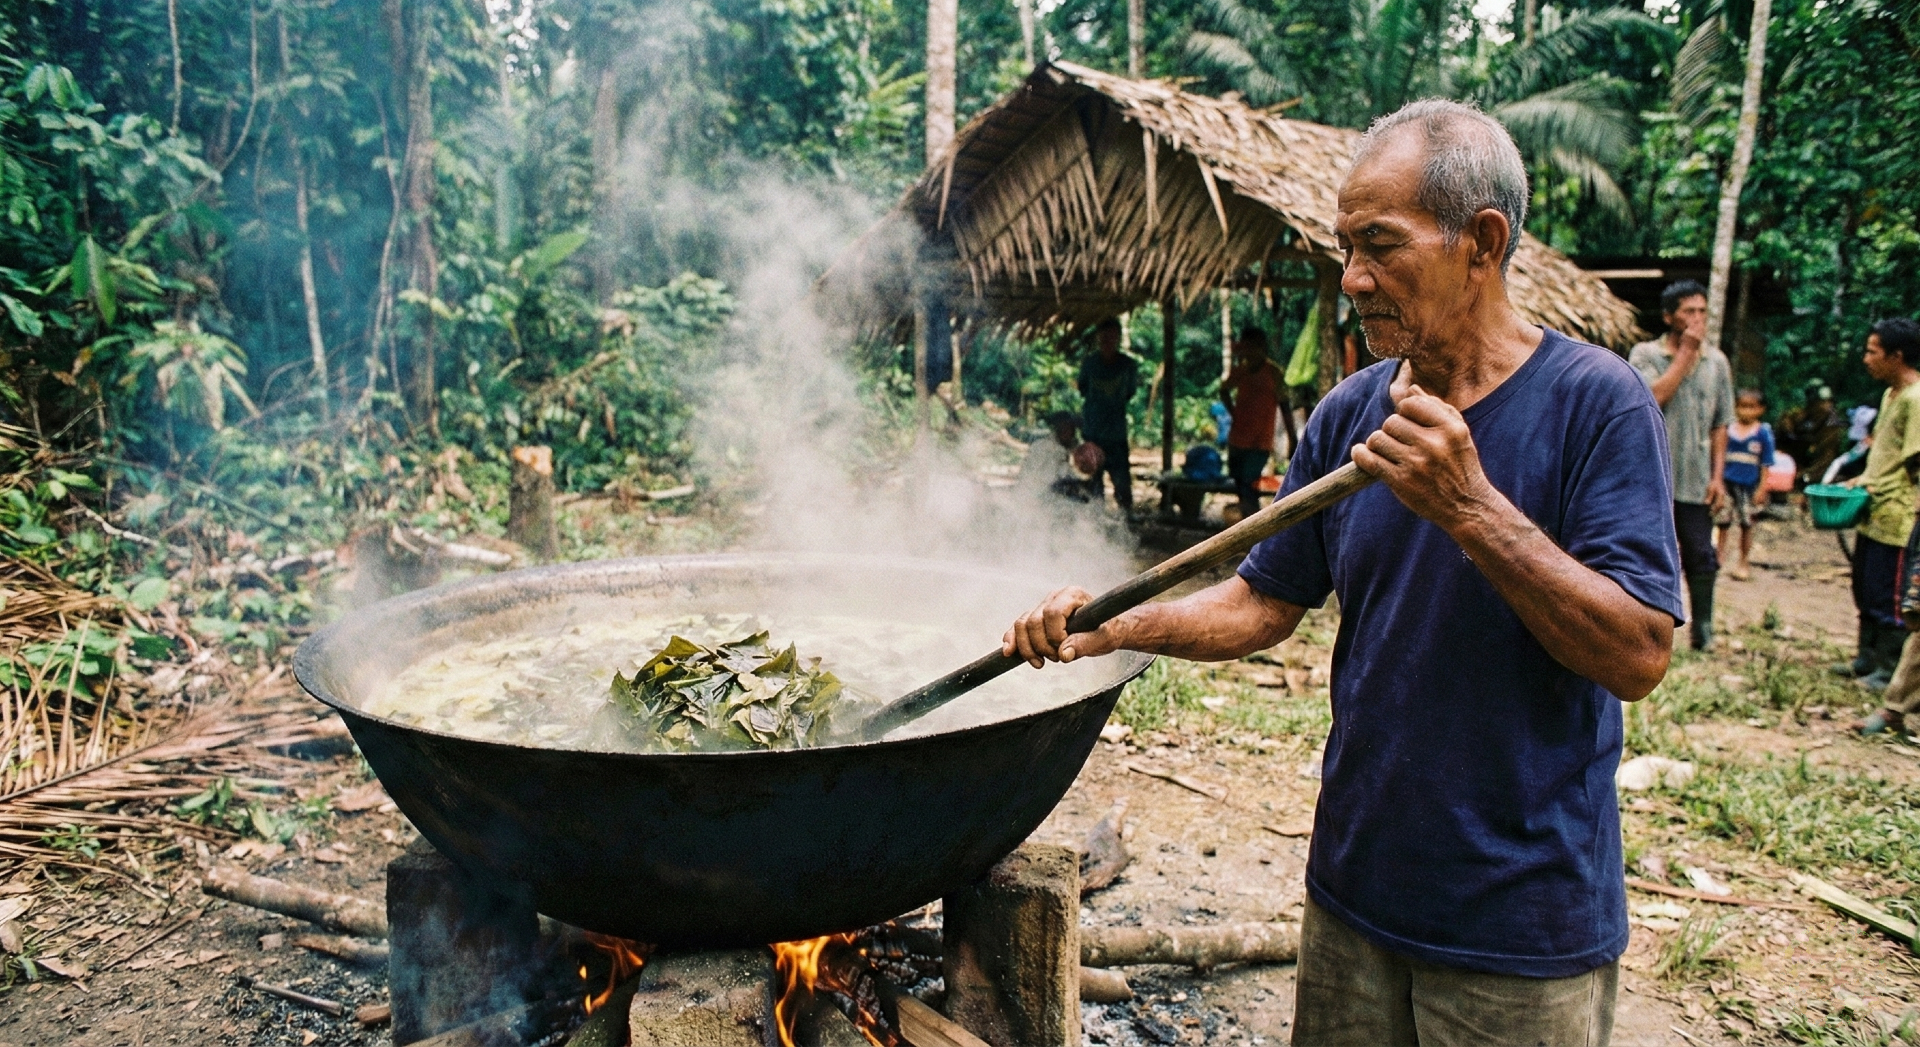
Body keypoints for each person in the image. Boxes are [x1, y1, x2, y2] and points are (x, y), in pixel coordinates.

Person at [1003, 99, 1679, 1045]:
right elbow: (1260, 602)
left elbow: (1638, 654)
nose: (1352, 277)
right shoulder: (1350, 412)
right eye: (1345, 246)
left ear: (1482, 243)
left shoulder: (1597, 405)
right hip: (1354, 895)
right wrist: (1112, 627)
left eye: (1381, 244)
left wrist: (1471, 507)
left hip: (1519, 926)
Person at [1630, 280, 1734, 650]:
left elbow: (1721, 423)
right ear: (1668, 316)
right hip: (1650, 477)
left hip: (1695, 479)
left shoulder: (1717, 362)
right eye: (1689, 311)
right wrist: (1686, 353)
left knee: (1701, 554)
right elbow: (1650, 399)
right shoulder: (1644, 354)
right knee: (1646, 555)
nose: (1697, 318)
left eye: (1702, 311)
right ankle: (1646, 632)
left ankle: (1702, 630)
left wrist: (1718, 477)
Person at [1843, 318, 1920, 698]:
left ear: (1896, 356)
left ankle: (1888, 666)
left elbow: (1915, 461)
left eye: (1873, 351)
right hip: (1875, 508)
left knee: (1891, 592)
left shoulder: (1915, 400)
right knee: (1866, 585)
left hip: (1898, 513)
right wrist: (1862, 480)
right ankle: (1867, 657)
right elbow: (1885, 454)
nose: (1866, 358)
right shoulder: (1891, 395)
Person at [1220, 327, 1296, 518]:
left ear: (1262, 347)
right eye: (1246, 347)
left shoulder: (1274, 373)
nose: (1249, 351)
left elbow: (1285, 407)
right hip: (1237, 439)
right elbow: (1223, 390)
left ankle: (1252, 526)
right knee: (1240, 485)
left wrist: (1293, 438)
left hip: (1259, 442)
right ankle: (1246, 524)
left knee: (1249, 484)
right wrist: (1234, 412)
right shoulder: (1241, 371)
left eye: (1253, 347)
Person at [1077, 318, 1139, 512]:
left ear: (1118, 338)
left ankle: (1126, 521)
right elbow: (1082, 388)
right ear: (1098, 338)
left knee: (1122, 483)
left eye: (1112, 337)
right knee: (1093, 485)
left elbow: (1130, 392)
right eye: (1104, 337)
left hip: (1116, 435)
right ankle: (1095, 523)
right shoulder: (1090, 364)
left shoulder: (1128, 365)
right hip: (1093, 433)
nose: (1107, 342)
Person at [1716, 389, 1774, 580]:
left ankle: (1743, 561)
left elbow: (1766, 464)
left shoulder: (1762, 433)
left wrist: (1762, 488)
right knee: (1723, 522)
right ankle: (1718, 558)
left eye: (1751, 407)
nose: (1746, 411)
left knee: (1747, 524)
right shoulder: (1729, 430)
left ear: (1761, 409)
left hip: (1749, 485)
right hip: (1727, 483)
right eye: (1742, 406)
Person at [1777, 383, 1848, 485]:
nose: (1826, 406)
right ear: (1812, 403)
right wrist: (1786, 429)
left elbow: (1826, 458)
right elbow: (1783, 436)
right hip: (1794, 462)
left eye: (1829, 402)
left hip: (1816, 469)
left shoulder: (1831, 426)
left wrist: (1806, 475)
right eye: (1822, 402)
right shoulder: (1800, 416)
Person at [1017, 410, 1089, 501]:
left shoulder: (1077, 447)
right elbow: (1051, 476)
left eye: (1071, 428)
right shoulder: (1043, 446)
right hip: (1039, 493)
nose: (1068, 432)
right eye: (1064, 427)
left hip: (1062, 493)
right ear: (1057, 428)